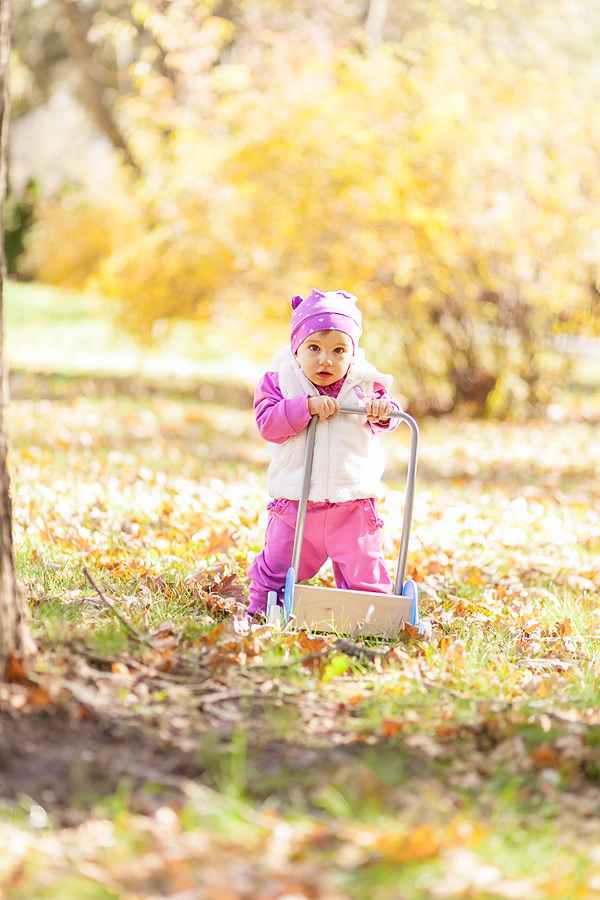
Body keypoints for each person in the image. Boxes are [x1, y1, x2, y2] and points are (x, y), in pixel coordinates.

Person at [246, 288, 401, 617]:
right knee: (277, 563)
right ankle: (261, 611)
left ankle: (372, 618)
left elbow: (388, 417)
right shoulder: (281, 383)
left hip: (353, 504)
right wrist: (304, 408)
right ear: (296, 348)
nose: (325, 359)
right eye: (313, 348)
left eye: (338, 350)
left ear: (353, 354)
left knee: (365, 570)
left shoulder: (365, 386)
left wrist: (381, 411)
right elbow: (268, 423)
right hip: (296, 504)